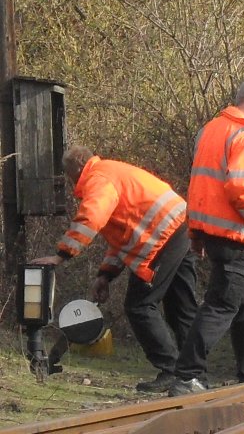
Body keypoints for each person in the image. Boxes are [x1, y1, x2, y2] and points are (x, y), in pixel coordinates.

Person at [30, 146, 198, 394]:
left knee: (140, 306)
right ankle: (195, 374)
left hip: (162, 237)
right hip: (182, 226)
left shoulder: (97, 180)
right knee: (180, 307)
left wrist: (60, 255)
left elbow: (92, 217)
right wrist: (106, 274)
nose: (69, 181)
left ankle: (172, 370)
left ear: (77, 168)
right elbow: (123, 237)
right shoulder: (110, 171)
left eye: (68, 174)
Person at [168, 77, 244, 396]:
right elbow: (241, 188)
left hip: (212, 231)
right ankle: (187, 375)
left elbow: (200, 185)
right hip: (235, 235)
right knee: (221, 305)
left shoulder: (212, 129)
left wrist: (197, 232)